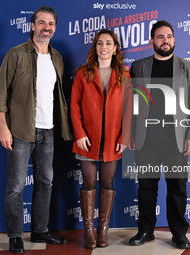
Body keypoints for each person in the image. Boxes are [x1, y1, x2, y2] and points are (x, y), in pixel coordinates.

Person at [0, 6, 72, 254]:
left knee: (45, 182)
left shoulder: (57, 57)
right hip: (20, 131)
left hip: (48, 131)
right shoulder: (15, 55)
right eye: (42, 22)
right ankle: (15, 235)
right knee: (15, 187)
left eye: (51, 24)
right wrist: (3, 128)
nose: (46, 27)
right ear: (32, 25)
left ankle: (39, 230)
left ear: (54, 28)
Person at [128, 20, 190, 249]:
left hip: (176, 139)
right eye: (160, 37)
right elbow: (131, 103)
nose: (165, 40)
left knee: (177, 188)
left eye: (169, 36)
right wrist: (130, 134)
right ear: (152, 41)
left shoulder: (187, 67)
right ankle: (145, 230)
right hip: (146, 139)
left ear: (174, 39)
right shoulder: (138, 66)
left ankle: (179, 233)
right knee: (146, 188)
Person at [71, 29, 131, 249]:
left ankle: (102, 228)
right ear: (95, 47)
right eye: (99, 43)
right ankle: (88, 229)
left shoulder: (124, 74)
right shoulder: (83, 73)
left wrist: (125, 137)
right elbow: (74, 106)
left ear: (115, 49)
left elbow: (129, 108)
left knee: (107, 183)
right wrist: (79, 134)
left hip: (112, 140)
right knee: (88, 183)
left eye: (108, 43)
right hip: (87, 139)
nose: (103, 47)